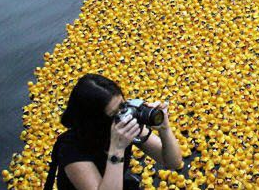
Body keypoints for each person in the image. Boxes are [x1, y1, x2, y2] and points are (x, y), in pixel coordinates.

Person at [48, 73, 182, 190]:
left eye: (123, 106)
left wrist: (164, 128)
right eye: (114, 114)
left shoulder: (123, 122)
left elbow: (173, 162)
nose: (123, 116)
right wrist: (117, 148)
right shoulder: (72, 150)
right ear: (95, 122)